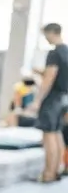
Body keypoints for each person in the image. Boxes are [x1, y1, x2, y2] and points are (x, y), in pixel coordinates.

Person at [32, 23, 68, 182]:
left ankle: (48, 173)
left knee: (49, 135)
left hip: (52, 98)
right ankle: (58, 169)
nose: (46, 39)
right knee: (57, 133)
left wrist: (37, 100)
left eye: (46, 35)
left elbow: (50, 78)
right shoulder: (66, 52)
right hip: (63, 97)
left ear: (52, 32)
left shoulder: (54, 53)